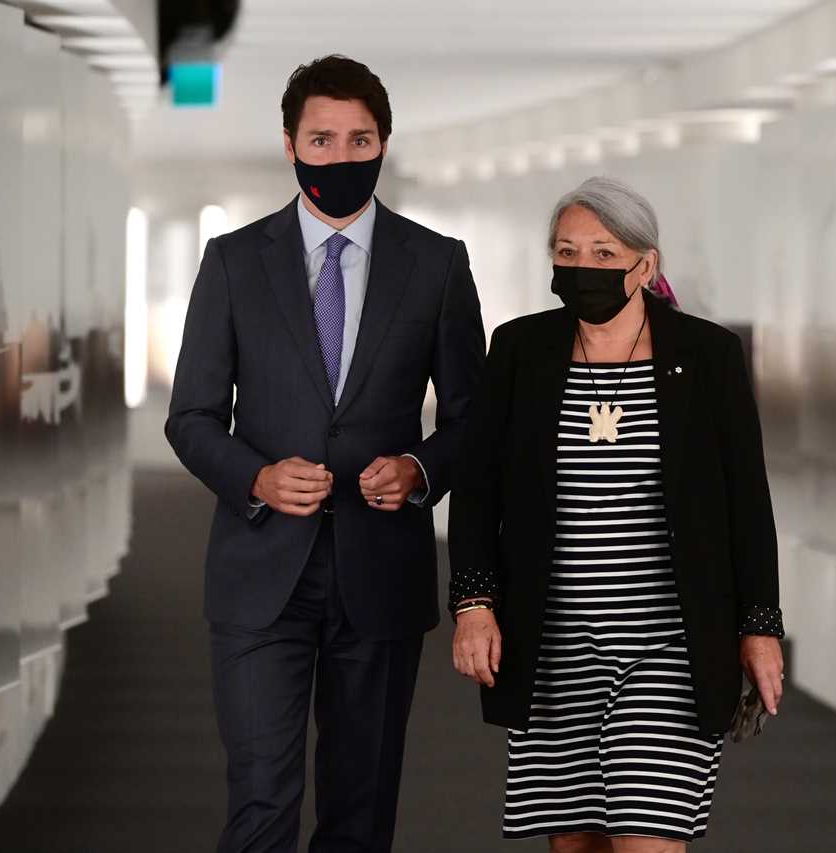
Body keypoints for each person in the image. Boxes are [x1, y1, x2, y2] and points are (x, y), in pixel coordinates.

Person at [165, 55, 485, 852]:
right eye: (321, 138)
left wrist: (419, 471)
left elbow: (474, 420)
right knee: (263, 800)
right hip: (258, 572)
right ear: (289, 144)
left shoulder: (438, 264)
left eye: (359, 138)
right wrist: (258, 477)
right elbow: (192, 416)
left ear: (383, 142)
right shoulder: (234, 262)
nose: (340, 156)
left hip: (380, 572)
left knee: (360, 809)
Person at [447, 176, 786, 852]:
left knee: (647, 839)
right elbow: (479, 487)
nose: (583, 269)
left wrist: (759, 626)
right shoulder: (520, 352)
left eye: (604, 254)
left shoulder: (706, 356)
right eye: (566, 253)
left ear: (646, 264)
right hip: (554, 648)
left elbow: (746, 499)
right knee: (577, 844)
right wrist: (474, 603)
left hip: (669, 646)